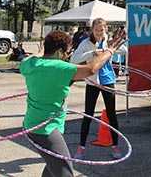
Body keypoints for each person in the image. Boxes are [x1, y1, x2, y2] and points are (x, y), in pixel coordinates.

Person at [20, 29, 125, 177]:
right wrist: (110, 50)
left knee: (52, 168)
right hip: (45, 130)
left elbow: (33, 58)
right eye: (66, 53)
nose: (66, 56)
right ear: (58, 52)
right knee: (65, 173)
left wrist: (42, 50)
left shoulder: (29, 64)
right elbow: (91, 69)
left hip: (31, 124)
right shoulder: (59, 68)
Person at [70, 18, 122, 160]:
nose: (99, 32)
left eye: (102, 30)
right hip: (92, 82)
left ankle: (115, 146)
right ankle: (81, 147)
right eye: (97, 30)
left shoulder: (109, 41)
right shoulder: (86, 43)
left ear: (106, 29)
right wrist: (92, 54)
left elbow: (124, 51)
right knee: (88, 115)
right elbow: (73, 60)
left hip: (108, 81)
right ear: (92, 30)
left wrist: (113, 48)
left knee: (112, 114)